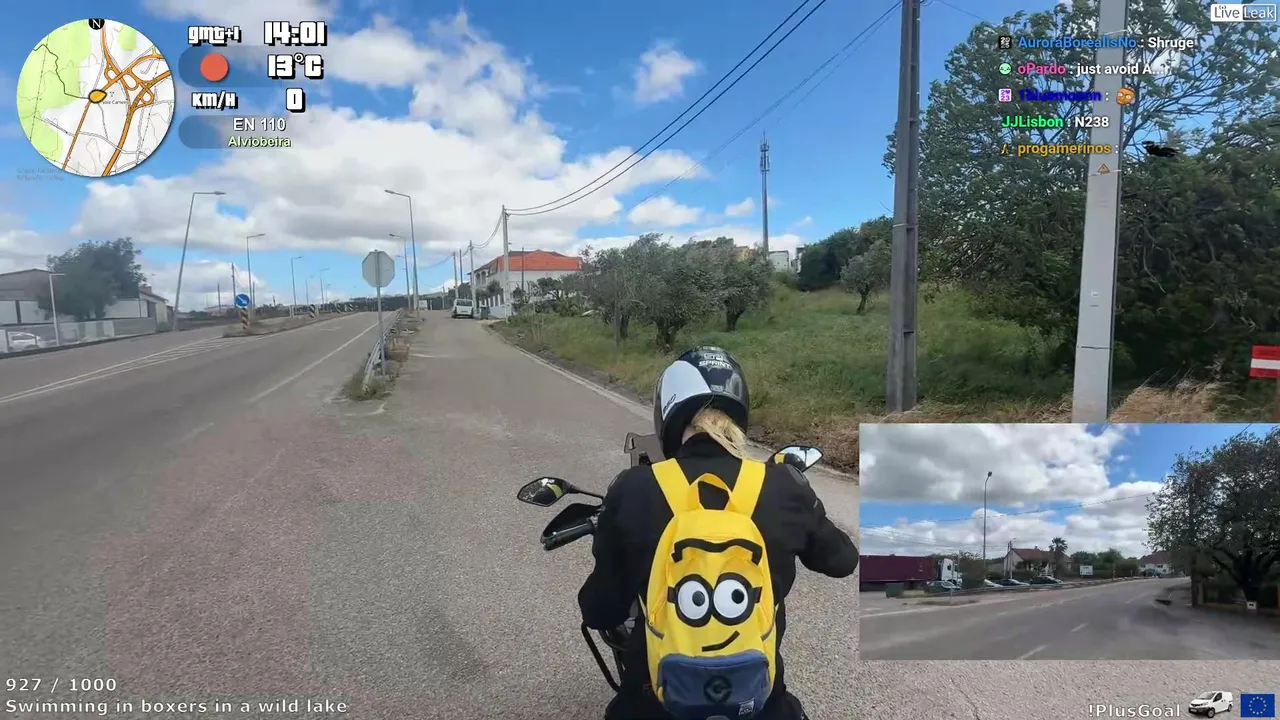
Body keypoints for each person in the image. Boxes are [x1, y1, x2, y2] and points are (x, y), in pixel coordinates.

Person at [579, 346, 859, 720]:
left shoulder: (634, 488)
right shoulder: (781, 484)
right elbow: (843, 562)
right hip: (760, 700)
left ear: (668, 411)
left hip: (653, 701)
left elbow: (600, 611)